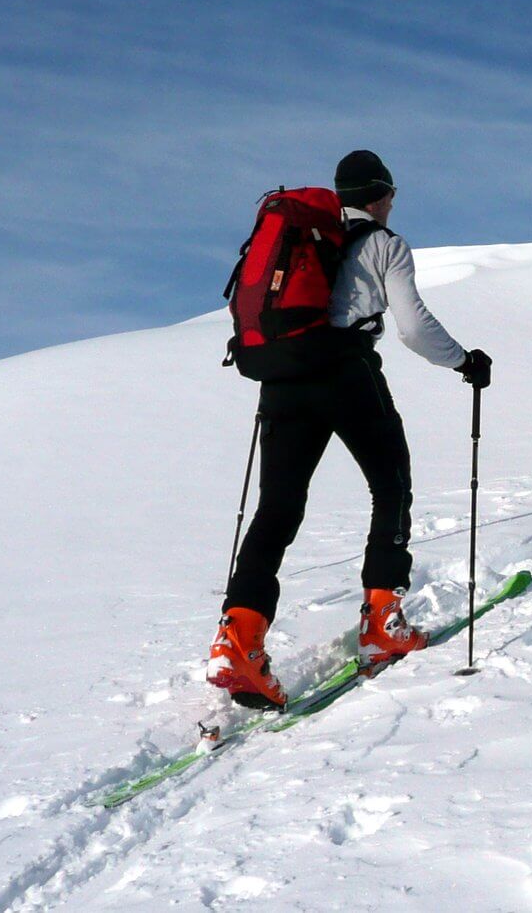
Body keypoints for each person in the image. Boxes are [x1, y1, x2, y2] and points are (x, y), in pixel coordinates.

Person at [207, 149, 492, 709]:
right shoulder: (384, 244)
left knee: (278, 508)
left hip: (284, 377)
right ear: (381, 195)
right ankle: (382, 622)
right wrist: (465, 362)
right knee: (390, 483)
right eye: (391, 196)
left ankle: (238, 640)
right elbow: (412, 327)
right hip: (345, 371)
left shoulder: (304, 239)